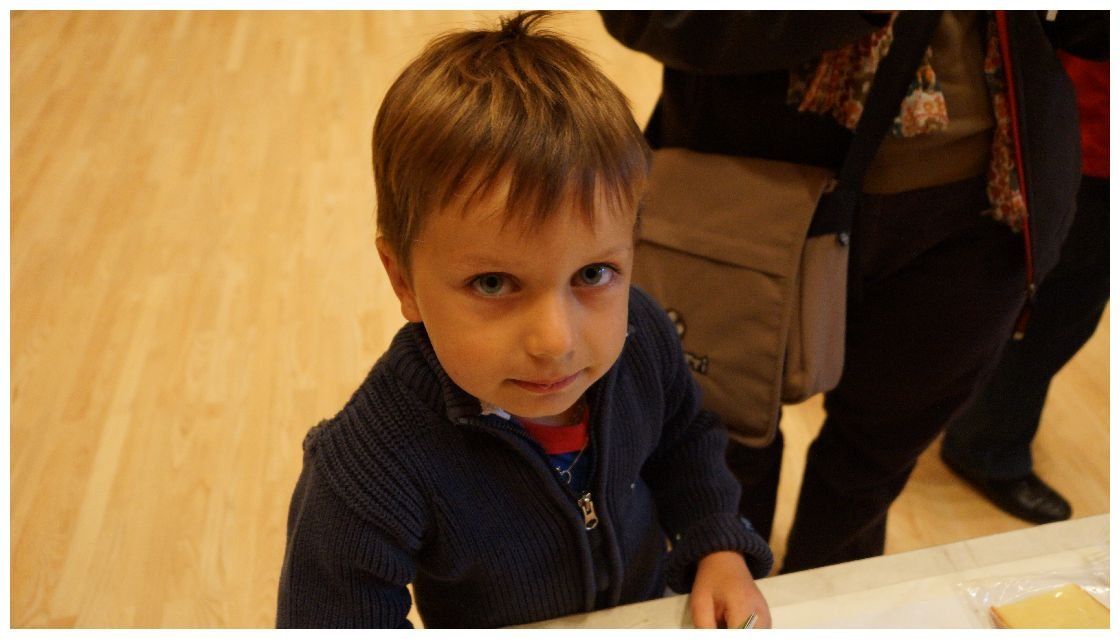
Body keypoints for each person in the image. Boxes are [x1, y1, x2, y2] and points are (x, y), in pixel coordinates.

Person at [276, 12, 773, 629]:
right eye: (493, 283)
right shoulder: (368, 467)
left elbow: (686, 440)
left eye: (593, 273)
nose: (555, 342)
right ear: (402, 280)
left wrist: (718, 545)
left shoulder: (642, 335)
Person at [601, 10, 1107, 572]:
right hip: (746, 184)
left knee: (869, 471)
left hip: (984, 201)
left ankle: (826, 600)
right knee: (722, 445)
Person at [940, 53, 1109, 525]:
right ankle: (985, 445)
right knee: (1054, 308)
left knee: (1047, 298)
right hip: (1089, 132)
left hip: (1078, 124)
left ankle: (975, 425)